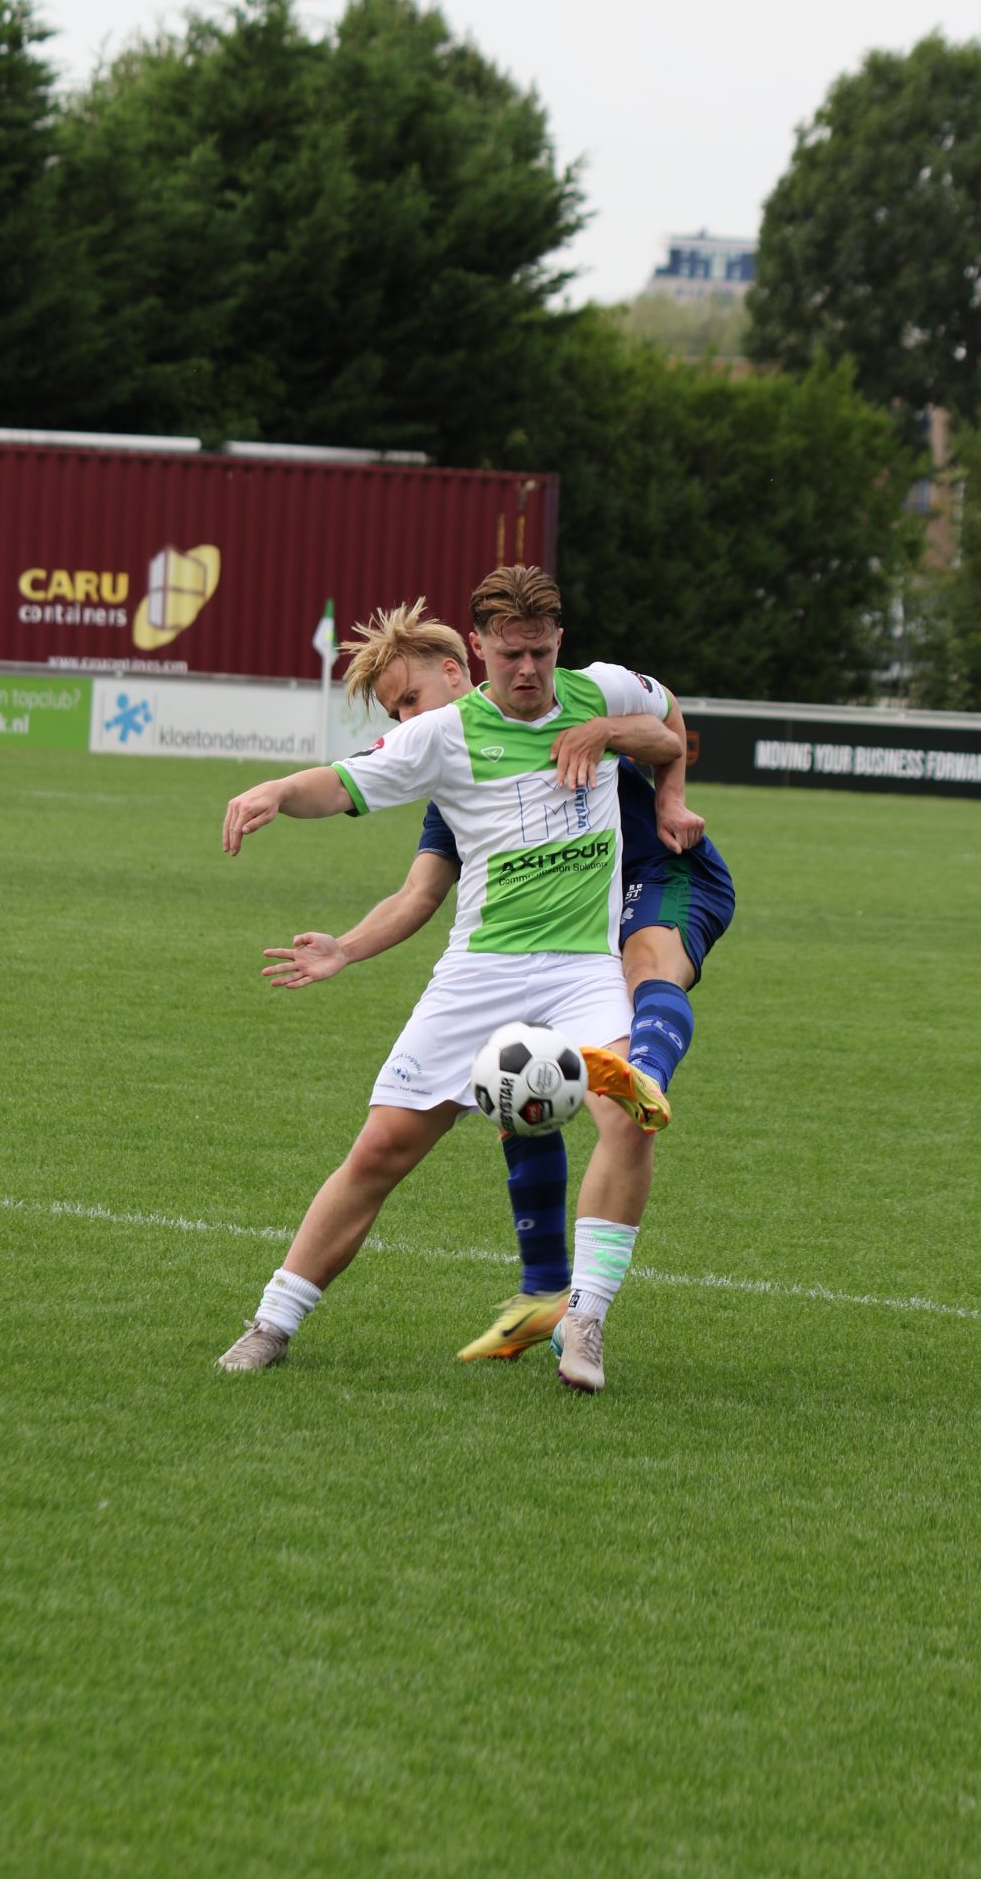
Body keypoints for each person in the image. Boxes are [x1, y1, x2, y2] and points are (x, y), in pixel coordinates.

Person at [216, 568, 684, 1393]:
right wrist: (278, 791)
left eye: (540, 653)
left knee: (628, 1116)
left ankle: (584, 1319)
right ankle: (271, 1324)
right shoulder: (442, 735)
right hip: (480, 974)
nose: (528, 672)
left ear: (559, 645)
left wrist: (622, 742)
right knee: (379, 1151)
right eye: (511, 656)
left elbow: (667, 721)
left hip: (582, 967)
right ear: (477, 651)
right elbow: (343, 785)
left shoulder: (598, 690)